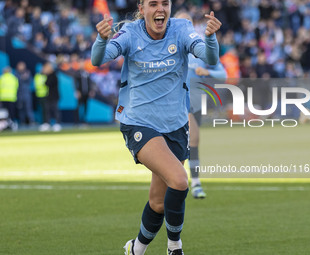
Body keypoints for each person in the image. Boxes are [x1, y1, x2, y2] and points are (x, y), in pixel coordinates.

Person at [91, 0, 221, 254]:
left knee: (158, 202)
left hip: (175, 125)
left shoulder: (181, 28)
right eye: (153, 4)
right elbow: (99, 59)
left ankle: (135, 249)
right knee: (180, 181)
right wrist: (101, 39)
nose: (160, 9)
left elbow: (210, 58)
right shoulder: (130, 33)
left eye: (165, 3)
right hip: (138, 123)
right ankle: (175, 247)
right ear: (142, 9)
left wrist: (211, 37)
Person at [175, 12, 227, 199]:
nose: (184, 25)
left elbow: (223, 74)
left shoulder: (199, 47)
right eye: (180, 22)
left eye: (187, 22)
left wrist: (206, 71)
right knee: (192, 139)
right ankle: (187, 183)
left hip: (196, 103)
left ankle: (193, 182)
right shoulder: (168, 46)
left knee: (191, 145)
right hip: (178, 102)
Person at [16, 61, 35, 126]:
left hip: (27, 94)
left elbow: (31, 81)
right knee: (20, 109)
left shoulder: (28, 73)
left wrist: (26, 78)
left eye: (22, 65)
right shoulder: (16, 74)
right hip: (19, 94)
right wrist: (22, 78)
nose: (21, 67)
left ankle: (32, 121)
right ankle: (22, 122)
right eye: (20, 65)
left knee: (28, 108)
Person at [0, 67, 19, 131]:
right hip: (12, 98)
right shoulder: (14, 78)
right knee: (11, 113)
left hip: (3, 98)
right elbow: (17, 87)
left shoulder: (2, 78)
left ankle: (4, 125)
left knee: (4, 113)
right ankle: (12, 124)